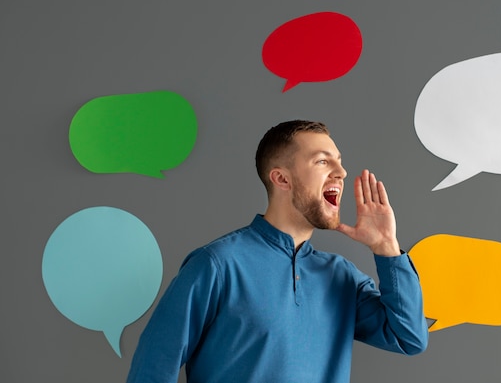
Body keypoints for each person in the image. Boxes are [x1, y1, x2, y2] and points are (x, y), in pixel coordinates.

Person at [127, 120, 428, 383]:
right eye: (323, 162)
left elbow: (409, 337)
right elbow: (154, 366)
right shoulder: (217, 265)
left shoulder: (342, 277)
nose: (341, 172)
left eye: (339, 161)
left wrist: (386, 248)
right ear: (281, 178)